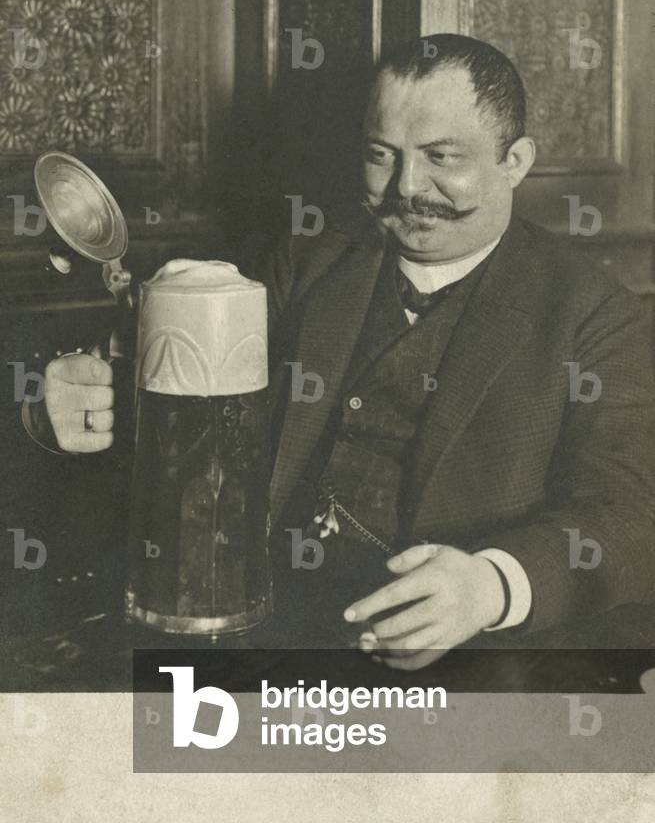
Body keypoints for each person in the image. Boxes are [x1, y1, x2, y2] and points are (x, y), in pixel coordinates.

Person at [31, 34, 655, 671]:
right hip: (264, 629)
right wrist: (66, 405)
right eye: (382, 155)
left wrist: (490, 586)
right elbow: (177, 416)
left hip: (463, 665)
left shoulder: (595, 315)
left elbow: (633, 515)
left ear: (515, 161)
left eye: (442, 156)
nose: (407, 187)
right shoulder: (308, 259)